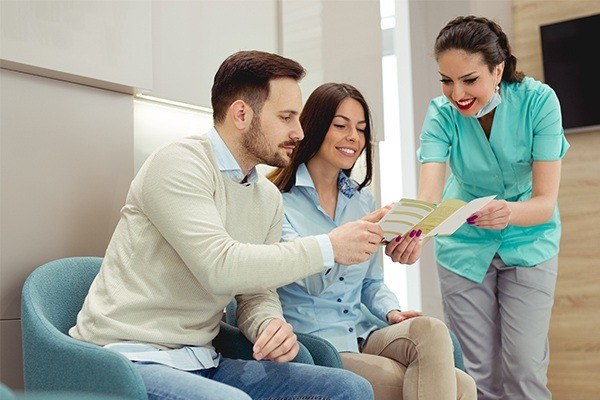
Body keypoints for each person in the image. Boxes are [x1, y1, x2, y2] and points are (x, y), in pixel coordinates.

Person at [69, 50, 381, 400]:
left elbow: (255, 291)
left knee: (347, 389)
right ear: (242, 114)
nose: (299, 131)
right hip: (130, 358)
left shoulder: (266, 197)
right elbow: (221, 267)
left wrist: (268, 324)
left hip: (203, 359)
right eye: (286, 117)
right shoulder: (178, 164)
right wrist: (329, 246)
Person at [389, 16, 569, 399]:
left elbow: (544, 202)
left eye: (469, 80)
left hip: (530, 241)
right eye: (446, 80)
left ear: (498, 68)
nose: (457, 94)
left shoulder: (539, 102)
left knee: (523, 369)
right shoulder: (441, 114)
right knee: (475, 375)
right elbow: (429, 195)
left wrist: (507, 212)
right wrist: (415, 232)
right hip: (464, 246)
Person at [268, 82, 476, 400]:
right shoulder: (278, 202)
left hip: (363, 332)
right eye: (341, 125)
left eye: (361, 129)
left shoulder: (362, 200)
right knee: (461, 387)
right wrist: (349, 237)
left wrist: (391, 311)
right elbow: (309, 282)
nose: (354, 137)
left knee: (431, 330)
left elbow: (371, 283)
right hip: (318, 344)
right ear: (314, 127)